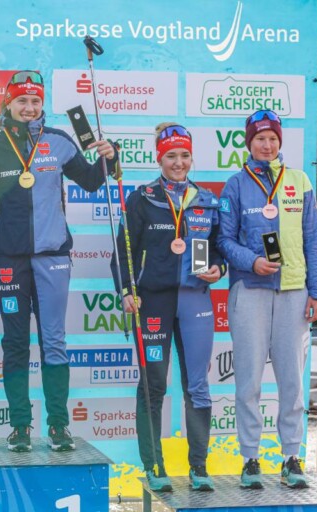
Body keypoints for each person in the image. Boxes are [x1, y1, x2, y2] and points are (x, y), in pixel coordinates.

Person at [0, 70, 117, 452]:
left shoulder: (58, 141)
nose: (28, 108)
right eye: (21, 101)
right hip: (8, 258)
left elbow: (91, 180)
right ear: (8, 104)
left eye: (35, 101)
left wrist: (110, 157)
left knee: (54, 341)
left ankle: (58, 425)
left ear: (43, 105)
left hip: (53, 256)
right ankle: (20, 427)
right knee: (15, 342)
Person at [112, 123, 225, 492]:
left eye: (185, 155)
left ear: (192, 157)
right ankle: (154, 466)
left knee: (197, 385)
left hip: (195, 301)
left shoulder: (206, 198)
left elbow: (220, 248)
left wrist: (218, 268)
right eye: (171, 156)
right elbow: (122, 251)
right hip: (153, 301)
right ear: (159, 158)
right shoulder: (143, 197)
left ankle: (199, 468)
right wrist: (127, 290)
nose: (179, 162)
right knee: (153, 385)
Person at [217, 109, 317, 490]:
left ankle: (291, 456)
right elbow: (224, 240)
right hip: (251, 291)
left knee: (292, 381)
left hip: (295, 292)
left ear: (280, 142)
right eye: (260, 138)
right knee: (248, 380)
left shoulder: (298, 180)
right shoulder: (235, 185)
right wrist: (253, 261)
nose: (267, 145)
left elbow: (313, 239)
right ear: (249, 143)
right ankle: (250, 459)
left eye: (273, 139)